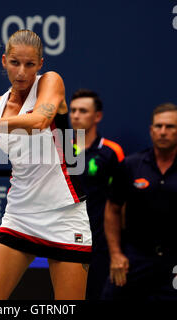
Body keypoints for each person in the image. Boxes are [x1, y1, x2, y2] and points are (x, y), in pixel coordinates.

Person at [0, 30, 92, 300]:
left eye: (30, 64)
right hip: (20, 216)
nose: (21, 72)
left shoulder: (51, 83)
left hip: (65, 215)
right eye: (15, 63)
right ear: (4, 61)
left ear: (40, 64)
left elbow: (38, 121)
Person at [102, 103, 177, 300]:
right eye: (158, 126)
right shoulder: (132, 165)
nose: (163, 132)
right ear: (151, 130)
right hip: (134, 260)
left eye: (170, 127)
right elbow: (112, 208)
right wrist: (116, 253)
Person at [69, 89, 124, 299]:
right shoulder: (60, 150)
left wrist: (119, 248)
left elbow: (121, 203)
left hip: (101, 245)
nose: (75, 115)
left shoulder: (111, 152)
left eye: (83, 111)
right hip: (67, 241)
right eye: (73, 110)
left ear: (97, 116)